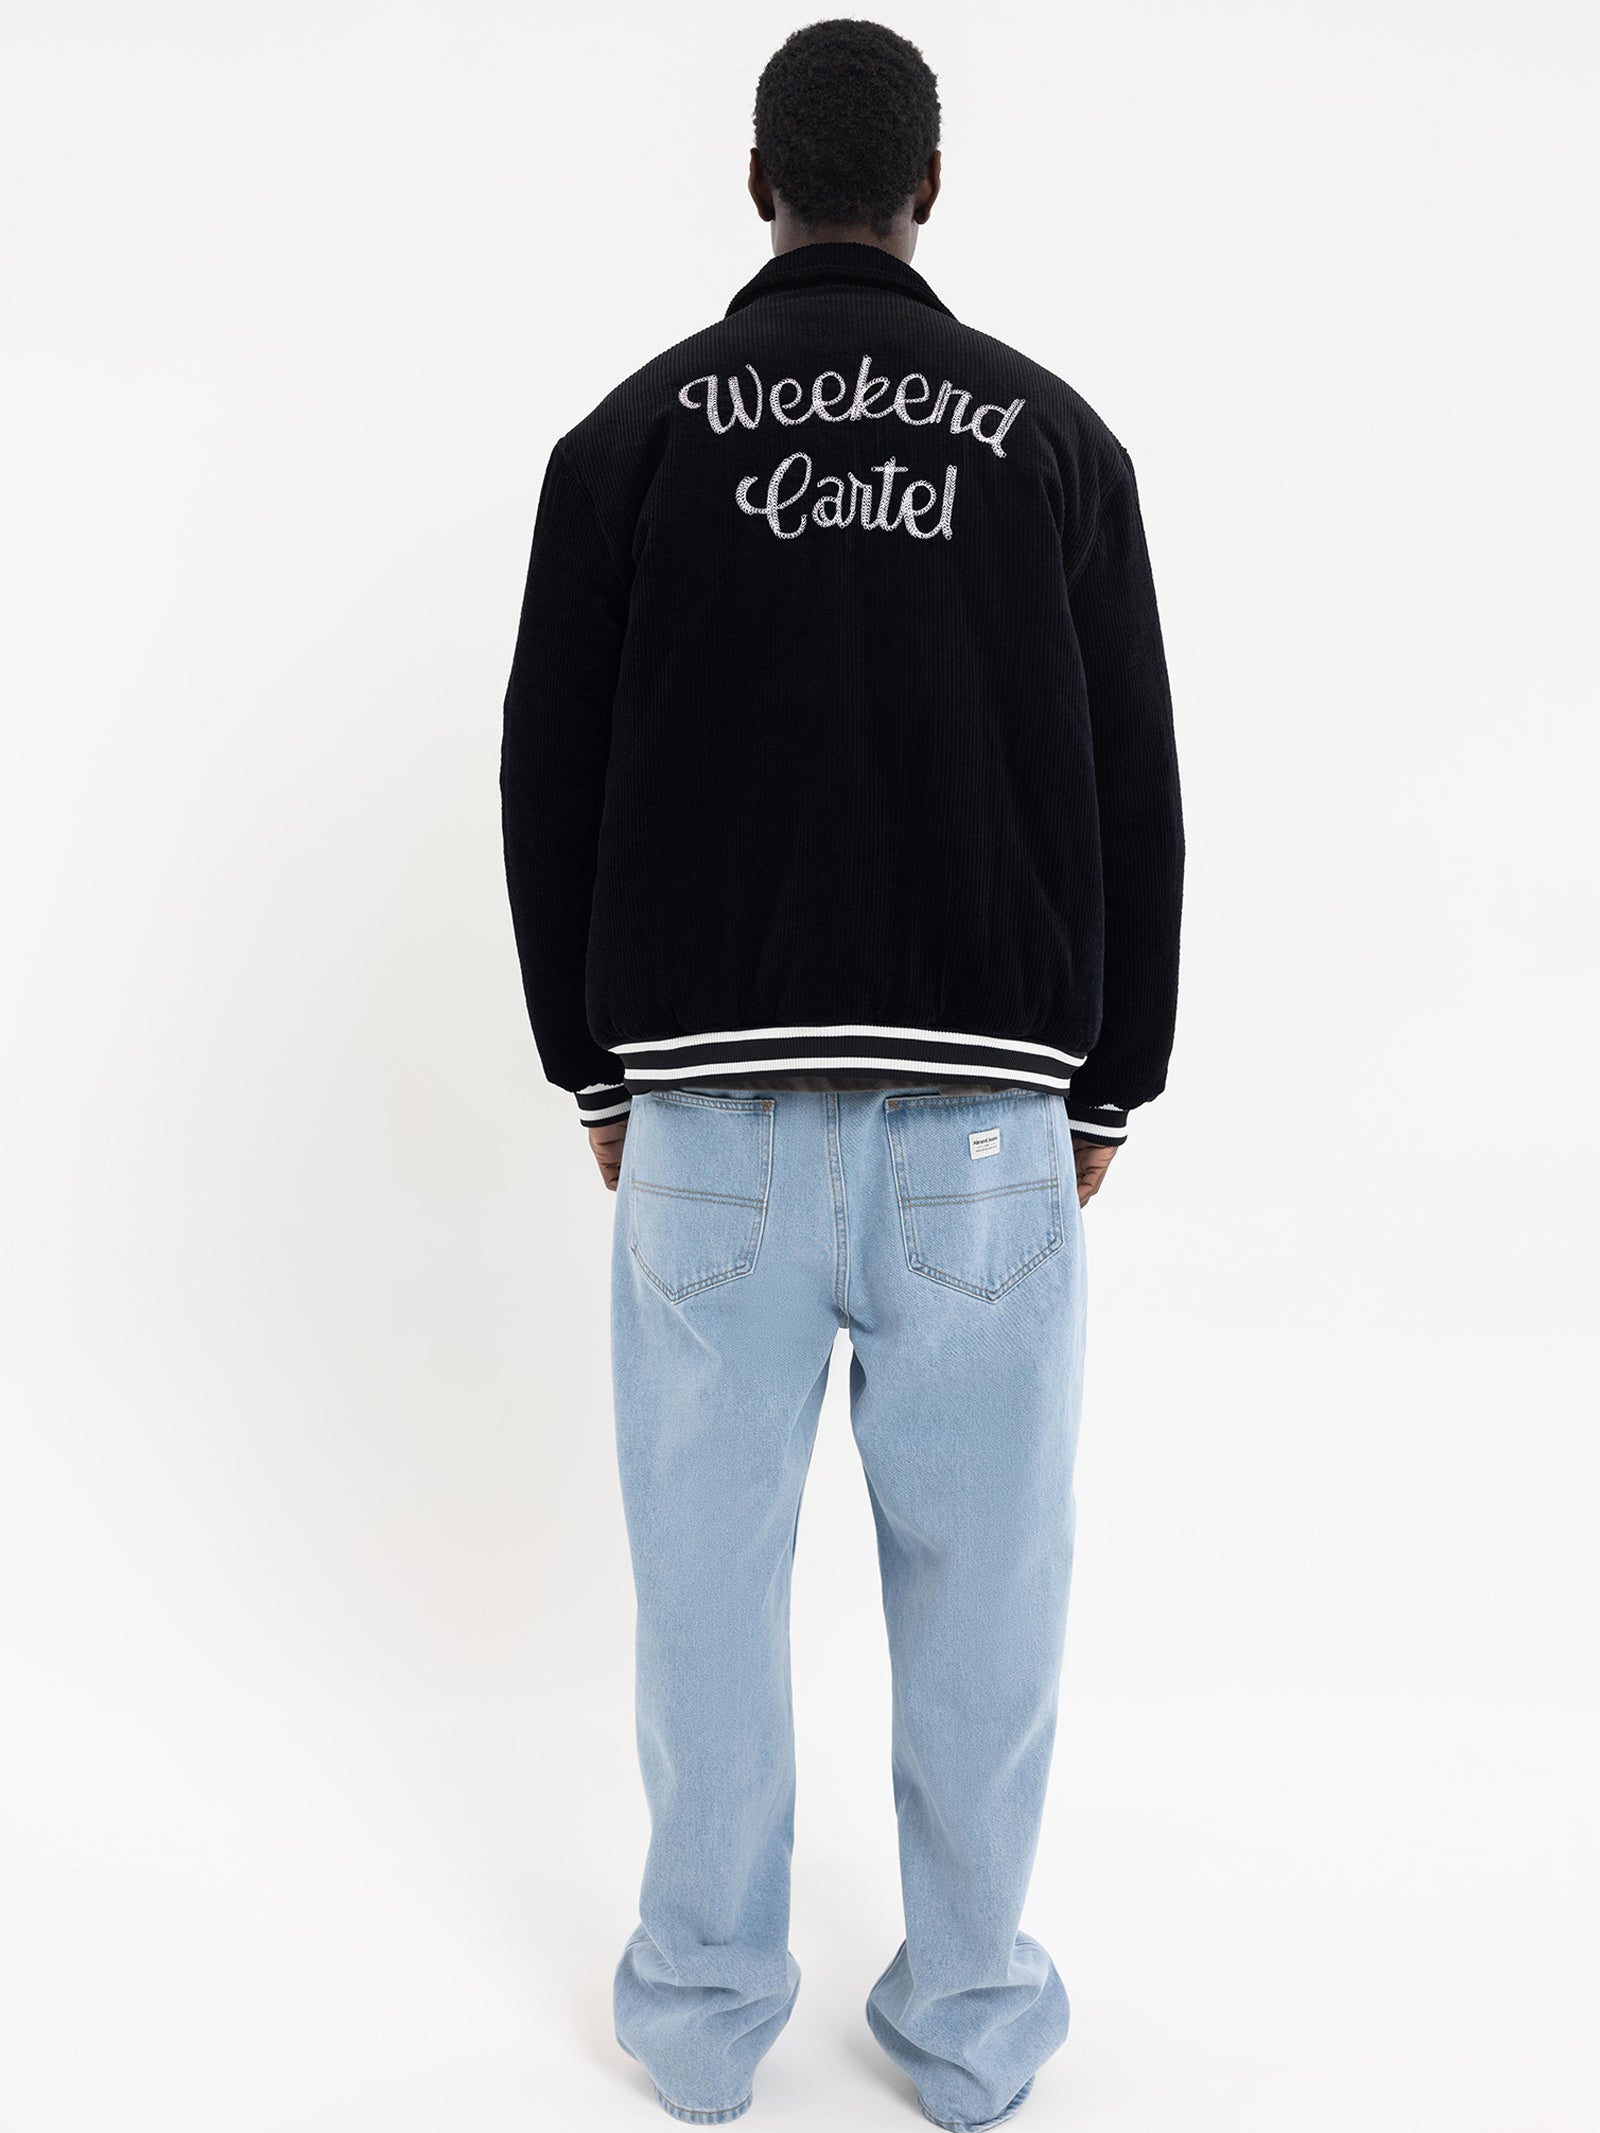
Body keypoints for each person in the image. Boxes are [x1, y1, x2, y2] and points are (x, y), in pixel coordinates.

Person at [499, 19, 1184, 2129]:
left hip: (704, 1124)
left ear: (756, 183)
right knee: (987, 1605)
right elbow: (1137, 789)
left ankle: (703, 2020)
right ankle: (971, 2026)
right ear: (929, 189)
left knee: (702, 1598)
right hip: (984, 1128)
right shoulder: (1055, 445)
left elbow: (544, 773)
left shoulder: (628, 442)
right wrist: (1107, 1087)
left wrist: (595, 1075)